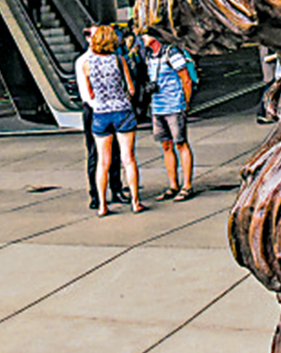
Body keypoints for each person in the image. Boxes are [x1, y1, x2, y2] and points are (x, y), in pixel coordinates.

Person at [75, 24, 142, 216]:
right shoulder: (119, 60)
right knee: (128, 159)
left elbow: (89, 92)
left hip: (100, 113)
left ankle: (102, 205)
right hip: (122, 111)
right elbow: (131, 88)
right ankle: (135, 202)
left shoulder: (86, 63)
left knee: (102, 161)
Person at [145, 37, 197, 201]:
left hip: (174, 106)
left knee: (181, 143)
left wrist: (185, 103)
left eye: (144, 35)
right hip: (158, 106)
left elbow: (186, 79)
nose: (141, 38)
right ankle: (173, 185)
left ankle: (187, 185)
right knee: (166, 145)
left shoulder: (172, 53)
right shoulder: (149, 56)